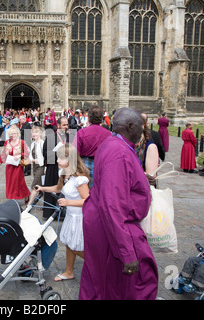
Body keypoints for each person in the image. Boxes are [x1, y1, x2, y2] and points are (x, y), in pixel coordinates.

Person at [79, 107, 158, 300]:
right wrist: (126, 253)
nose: (143, 130)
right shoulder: (118, 153)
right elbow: (112, 205)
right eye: (141, 126)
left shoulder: (111, 143)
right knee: (137, 281)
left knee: (102, 281)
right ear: (130, 126)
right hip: (113, 227)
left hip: (105, 221)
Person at [35, 143, 89, 282]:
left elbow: (88, 201)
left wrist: (68, 202)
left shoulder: (80, 179)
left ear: (70, 160)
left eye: (60, 158)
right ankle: (69, 272)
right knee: (69, 244)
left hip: (80, 217)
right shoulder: (65, 174)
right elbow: (58, 189)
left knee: (76, 247)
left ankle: (99, 264)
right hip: (71, 216)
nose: (57, 161)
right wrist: (42, 188)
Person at [72, 106, 111, 186]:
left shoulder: (81, 132)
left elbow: (74, 153)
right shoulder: (108, 134)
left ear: (88, 118)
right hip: (101, 165)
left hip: (84, 166)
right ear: (101, 119)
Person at [42, 116, 69, 219]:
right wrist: (58, 154)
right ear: (58, 125)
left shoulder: (70, 137)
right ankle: (49, 213)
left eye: (67, 125)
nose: (66, 127)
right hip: (53, 167)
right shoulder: (51, 137)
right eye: (64, 125)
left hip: (66, 168)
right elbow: (44, 153)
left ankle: (62, 214)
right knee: (52, 190)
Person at [0, 124, 31, 202]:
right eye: (11, 134)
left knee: (19, 182)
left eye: (15, 133)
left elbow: (27, 153)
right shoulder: (7, 142)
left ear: (18, 133)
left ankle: (25, 194)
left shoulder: (22, 142)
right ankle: (12, 198)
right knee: (10, 183)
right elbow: (3, 154)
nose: (13, 135)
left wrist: (19, 155)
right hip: (9, 166)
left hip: (18, 166)